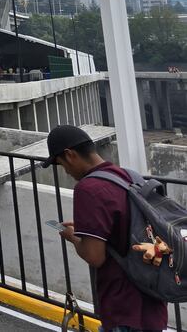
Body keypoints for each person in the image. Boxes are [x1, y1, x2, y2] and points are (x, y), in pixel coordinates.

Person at [48, 125, 168, 332]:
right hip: (152, 299)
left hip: (122, 306)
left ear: (70, 155)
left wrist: (73, 237)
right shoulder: (128, 176)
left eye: (61, 165)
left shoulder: (88, 188)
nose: (66, 172)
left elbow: (95, 256)